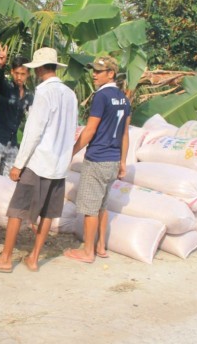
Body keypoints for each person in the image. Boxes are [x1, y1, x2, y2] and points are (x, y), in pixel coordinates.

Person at [0, 47, 78, 273]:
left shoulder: (42, 93)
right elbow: (72, 130)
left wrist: (18, 164)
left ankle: (5, 259)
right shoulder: (70, 94)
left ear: (39, 69)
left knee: (17, 210)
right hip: (59, 165)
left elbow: (34, 132)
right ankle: (33, 258)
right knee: (48, 214)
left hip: (39, 162)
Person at [64, 56, 131, 263]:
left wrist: (72, 151)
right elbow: (125, 134)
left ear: (111, 74)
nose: (94, 74)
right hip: (112, 161)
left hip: (97, 158)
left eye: (99, 71)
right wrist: (122, 162)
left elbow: (90, 129)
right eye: (93, 70)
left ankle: (87, 251)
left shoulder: (101, 97)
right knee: (101, 206)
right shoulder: (123, 99)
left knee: (89, 209)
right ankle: (101, 246)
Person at [0, 44, 33, 176]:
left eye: (23, 74)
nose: (19, 77)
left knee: (7, 182)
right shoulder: (5, 88)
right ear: (12, 72)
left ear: (28, 74)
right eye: (16, 73)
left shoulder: (29, 96)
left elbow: (33, 119)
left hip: (13, 144)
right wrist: (1, 65)